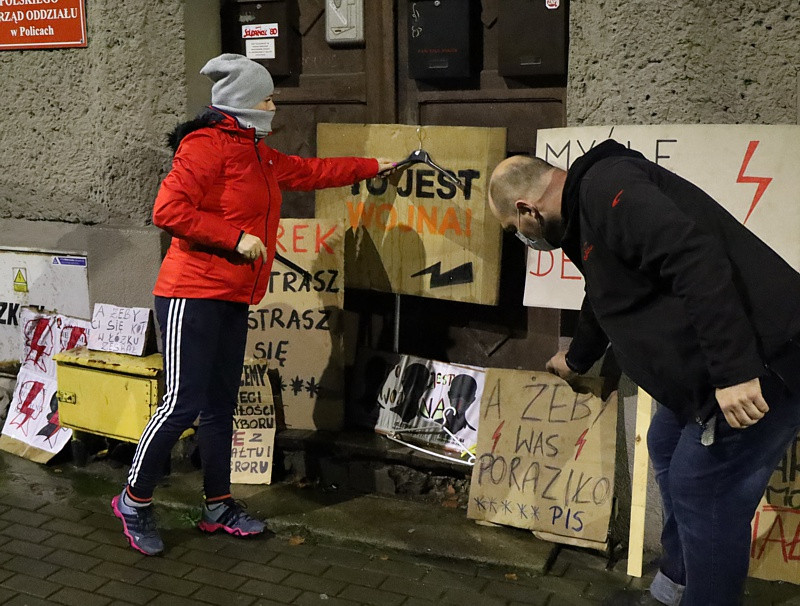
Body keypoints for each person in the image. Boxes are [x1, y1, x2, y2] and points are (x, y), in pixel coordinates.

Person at [488, 141, 800, 606]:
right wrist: (577, 358)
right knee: (664, 444)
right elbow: (603, 293)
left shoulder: (610, 189)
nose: (525, 239)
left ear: (527, 209)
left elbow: (694, 256)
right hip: (708, 375)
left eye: (515, 230)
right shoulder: (583, 214)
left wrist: (735, 370)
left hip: (763, 362)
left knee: (704, 492)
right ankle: (674, 586)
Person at [111, 53, 396, 556]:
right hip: (190, 293)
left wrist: (375, 166)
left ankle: (218, 506)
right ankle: (133, 501)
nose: (273, 105)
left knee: (221, 407)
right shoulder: (205, 147)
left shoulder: (257, 153)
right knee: (182, 405)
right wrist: (233, 237)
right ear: (243, 104)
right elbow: (168, 209)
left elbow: (310, 171)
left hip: (234, 296)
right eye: (267, 97)